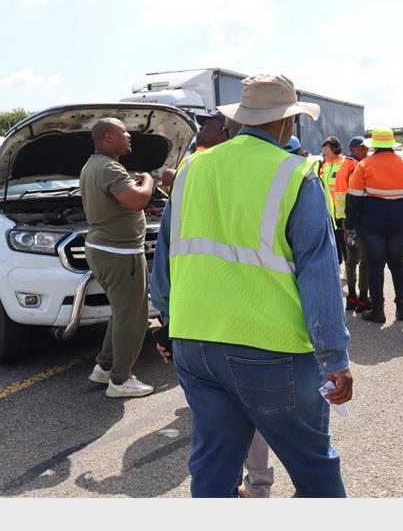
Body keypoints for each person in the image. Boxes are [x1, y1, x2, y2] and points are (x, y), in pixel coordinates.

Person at [151, 73, 352, 498]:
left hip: (196, 343)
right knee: (315, 469)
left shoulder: (190, 171)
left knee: (213, 469)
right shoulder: (296, 174)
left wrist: (168, 324)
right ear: (287, 122)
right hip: (271, 348)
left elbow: (165, 258)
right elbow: (319, 274)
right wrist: (334, 356)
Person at [80, 117, 155, 398]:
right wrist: (148, 180)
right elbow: (138, 200)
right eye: (124, 132)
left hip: (103, 249)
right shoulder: (110, 168)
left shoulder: (92, 165)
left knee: (122, 312)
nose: (129, 135)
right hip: (120, 253)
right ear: (109, 137)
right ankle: (121, 381)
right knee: (134, 318)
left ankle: (105, 367)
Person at [346, 128, 403, 324]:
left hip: (372, 223)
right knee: (398, 265)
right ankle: (402, 308)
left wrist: (350, 224)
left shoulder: (364, 165)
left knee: (375, 266)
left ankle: (378, 310)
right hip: (399, 222)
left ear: (374, 146)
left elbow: (353, 199)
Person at [343, 136, 370, 313]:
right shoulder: (358, 167)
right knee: (363, 261)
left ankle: (352, 298)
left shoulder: (344, 164)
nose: (366, 150)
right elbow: (356, 196)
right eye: (362, 148)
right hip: (359, 221)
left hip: (347, 219)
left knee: (351, 260)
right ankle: (362, 299)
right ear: (353, 149)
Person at [319, 135, 355, 265]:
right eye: (323, 149)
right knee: (333, 240)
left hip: (345, 212)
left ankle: (349, 267)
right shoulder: (322, 166)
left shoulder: (349, 164)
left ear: (335, 149)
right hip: (329, 210)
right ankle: (337, 266)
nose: (323, 152)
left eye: (326, 149)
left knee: (346, 242)